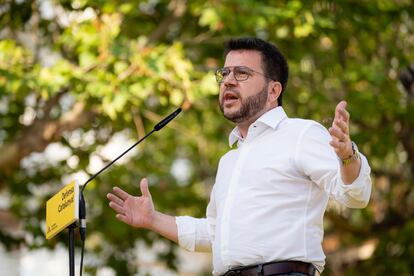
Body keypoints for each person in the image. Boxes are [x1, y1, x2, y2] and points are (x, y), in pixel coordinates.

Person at [107, 37, 372, 276]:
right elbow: (215, 233)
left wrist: (347, 155)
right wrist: (153, 219)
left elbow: (355, 195)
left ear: (273, 91)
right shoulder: (229, 161)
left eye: (242, 73)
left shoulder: (300, 133)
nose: (229, 81)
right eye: (225, 73)